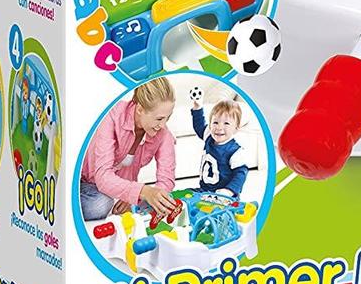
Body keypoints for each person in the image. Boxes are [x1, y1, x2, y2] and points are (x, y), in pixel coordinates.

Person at [80, 78, 177, 222]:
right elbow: (103, 177)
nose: (163, 125)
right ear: (140, 109)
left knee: (153, 204)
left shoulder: (163, 134)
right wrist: (142, 191)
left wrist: (135, 198)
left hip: (113, 189)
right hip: (82, 182)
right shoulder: (111, 116)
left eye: (168, 118)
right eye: (159, 119)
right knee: (101, 204)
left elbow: (166, 180)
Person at [191, 95, 247, 198]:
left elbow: (241, 173)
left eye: (226, 123)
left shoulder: (235, 151)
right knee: (185, 195)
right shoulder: (209, 136)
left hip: (224, 195)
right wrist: (197, 107)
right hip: (204, 191)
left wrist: (229, 191)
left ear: (236, 128)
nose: (219, 127)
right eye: (215, 122)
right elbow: (199, 126)